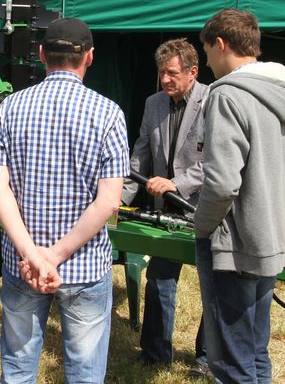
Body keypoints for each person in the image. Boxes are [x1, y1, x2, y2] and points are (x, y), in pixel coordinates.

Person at [0, 17, 129, 383]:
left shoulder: (9, 108)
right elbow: (110, 202)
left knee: (17, 366)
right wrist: (57, 255)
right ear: (90, 57)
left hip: (23, 264)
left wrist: (34, 255)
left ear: (40, 55)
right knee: (84, 371)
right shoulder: (109, 114)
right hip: (82, 265)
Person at [195, 8, 285, 382]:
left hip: (238, 241)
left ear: (220, 43)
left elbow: (222, 182)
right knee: (255, 349)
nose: (207, 60)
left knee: (231, 360)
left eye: (206, 51)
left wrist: (201, 224)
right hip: (274, 236)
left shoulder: (227, 94)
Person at [120, 39, 209, 377]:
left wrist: (177, 183)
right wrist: (120, 197)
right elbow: (139, 156)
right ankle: (155, 352)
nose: (166, 80)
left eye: (172, 73)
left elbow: (219, 160)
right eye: (161, 74)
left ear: (192, 71)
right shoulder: (153, 103)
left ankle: (206, 358)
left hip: (204, 209)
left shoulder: (215, 101)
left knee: (211, 287)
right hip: (163, 213)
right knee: (159, 280)